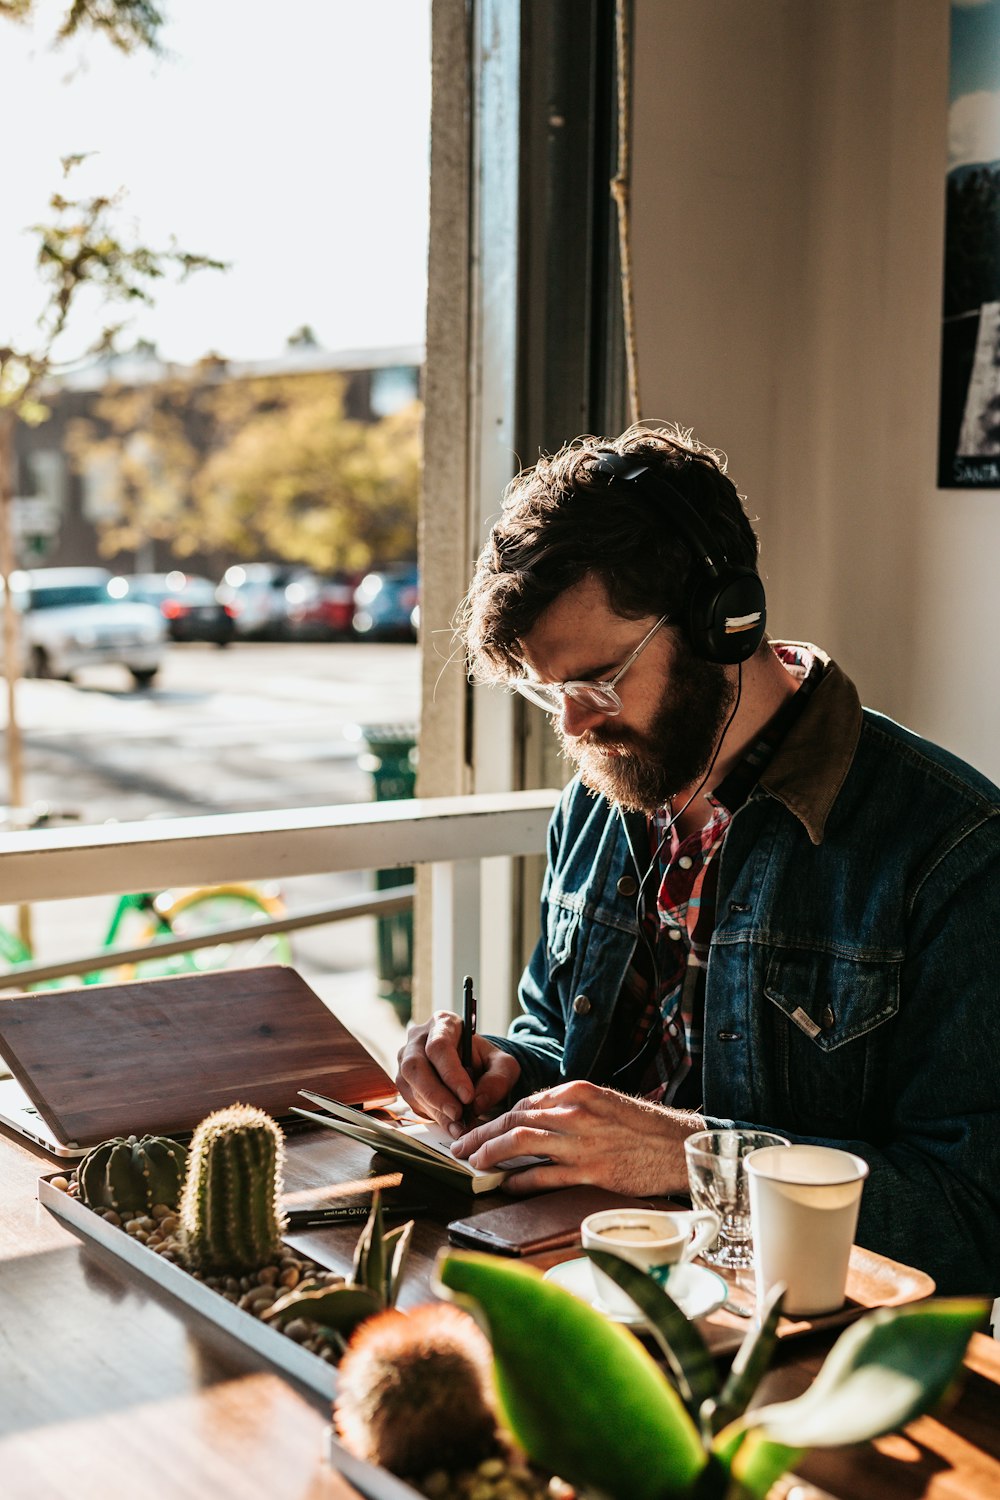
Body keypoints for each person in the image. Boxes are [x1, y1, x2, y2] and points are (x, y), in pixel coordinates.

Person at [396, 422, 1000, 1295]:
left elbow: (973, 1213)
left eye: (597, 683)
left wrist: (687, 1154)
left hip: (802, 1336)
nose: (572, 727)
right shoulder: (606, 798)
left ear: (725, 623)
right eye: (546, 692)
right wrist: (499, 1071)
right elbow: (558, 1034)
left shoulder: (955, 853)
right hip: (594, 1281)